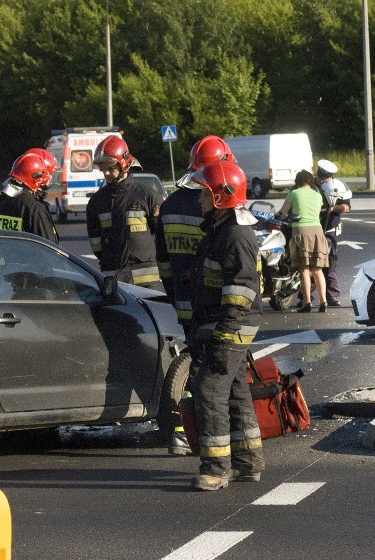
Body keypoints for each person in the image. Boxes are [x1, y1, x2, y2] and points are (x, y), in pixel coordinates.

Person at [182, 159, 264, 491]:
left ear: (221, 197)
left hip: (232, 325)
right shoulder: (222, 230)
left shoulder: (235, 235)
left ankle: (216, 468)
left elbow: (241, 291)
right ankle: (249, 462)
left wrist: (224, 337)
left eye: (205, 195)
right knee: (234, 390)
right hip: (223, 323)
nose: (199, 200)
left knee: (208, 389)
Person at [156, 135, 237, 456]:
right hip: (215, 306)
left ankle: (181, 432)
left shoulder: (170, 205)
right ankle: (212, 437)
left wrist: (176, 296)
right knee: (216, 376)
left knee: (195, 369)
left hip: (184, 303)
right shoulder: (215, 206)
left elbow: (162, 262)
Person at [86, 135, 163, 288]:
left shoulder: (147, 196)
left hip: (147, 282)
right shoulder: (96, 202)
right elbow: (96, 244)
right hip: (113, 278)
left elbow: (162, 238)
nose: (106, 173)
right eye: (103, 168)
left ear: (124, 166)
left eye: (110, 168)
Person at [0, 149, 60, 243]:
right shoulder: (35, 209)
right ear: (37, 178)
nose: (50, 178)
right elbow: (49, 249)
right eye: (49, 174)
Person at [277, 170, 328, 313]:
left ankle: (307, 302)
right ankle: (323, 301)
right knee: (317, 269)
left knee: (304, 269)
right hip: (317, 232)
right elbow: (316, 213)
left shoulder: (294, 193)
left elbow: (283, 212)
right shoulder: (317, 195)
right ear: (311, 181)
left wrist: (277, 216)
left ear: (298, 181)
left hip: (301, 231)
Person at [315, 159, 352, 307]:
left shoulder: (337, 186)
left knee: (330, 264)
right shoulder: (311, 186)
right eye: (324, 177)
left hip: (330, 229)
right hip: (314, 227)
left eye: (329, 177)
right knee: (312, 263)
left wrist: (334, 208)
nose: (326, 180)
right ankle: (306, 297)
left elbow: (347, 207)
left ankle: (332, 296)